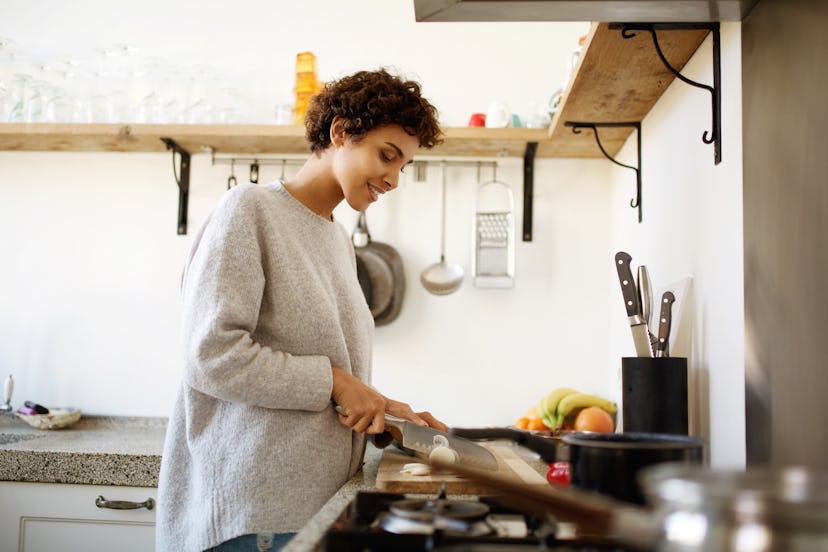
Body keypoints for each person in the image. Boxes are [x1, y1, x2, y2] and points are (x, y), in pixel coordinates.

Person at [155, 68, 446, 552]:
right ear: (339, 132)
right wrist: (335, 381)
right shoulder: (248, 210)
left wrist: (384, 410)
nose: (394, 178)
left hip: (313, 507)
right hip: (254, 513)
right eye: (387, 155)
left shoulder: (336, 239)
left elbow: (324, 372)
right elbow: (210, 355)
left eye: (404, 166)